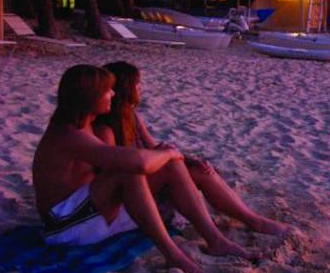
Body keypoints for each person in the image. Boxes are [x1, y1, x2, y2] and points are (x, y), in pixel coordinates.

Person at [32, 65, 253, 273]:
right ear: (88, 96)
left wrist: (171, 157)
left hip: (85, 212)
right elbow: (136, 163)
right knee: (131, 170)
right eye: (106, 90)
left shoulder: (83, 125)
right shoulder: (68, 134)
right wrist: (168, 152)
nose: (112, 93)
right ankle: (173, 254)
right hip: (63, 226)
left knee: (171, 165)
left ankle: (215, 240)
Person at [94, 61, 290, 237]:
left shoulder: (131, 117)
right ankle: (220, 233)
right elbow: (113, 175)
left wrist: (188, 160)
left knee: (199, 170)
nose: (140, 88)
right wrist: (166, 158)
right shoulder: (105, 129)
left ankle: (252, 220)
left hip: (145, 177)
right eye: (137, 85)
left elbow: (153, 147)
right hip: (127, 193)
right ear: (126, 89)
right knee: (173, 164)